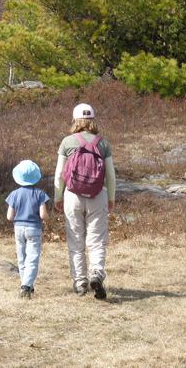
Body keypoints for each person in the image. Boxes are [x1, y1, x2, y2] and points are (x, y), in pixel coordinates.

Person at [54, 103, 116, 299]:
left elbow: (59, 174)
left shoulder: (67, 142)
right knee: (97, 241)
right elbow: (111, 176)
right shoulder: (103, 143)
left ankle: (80, 282)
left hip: (72, 196)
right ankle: (96, 273)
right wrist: (111, 198)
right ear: (92, 120)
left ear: (74, 119)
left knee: (76, 240)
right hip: (98, 195)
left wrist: (58, 197)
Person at [6, 160, 49, 299]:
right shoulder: (40, 194)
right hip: (34, 229)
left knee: (22, 258)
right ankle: (26, 286)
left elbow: (9, 217)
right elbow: (43, 215)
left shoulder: (14, 194)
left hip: (18, 228)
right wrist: (47, 216)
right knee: (33, 258)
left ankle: (26, 285)